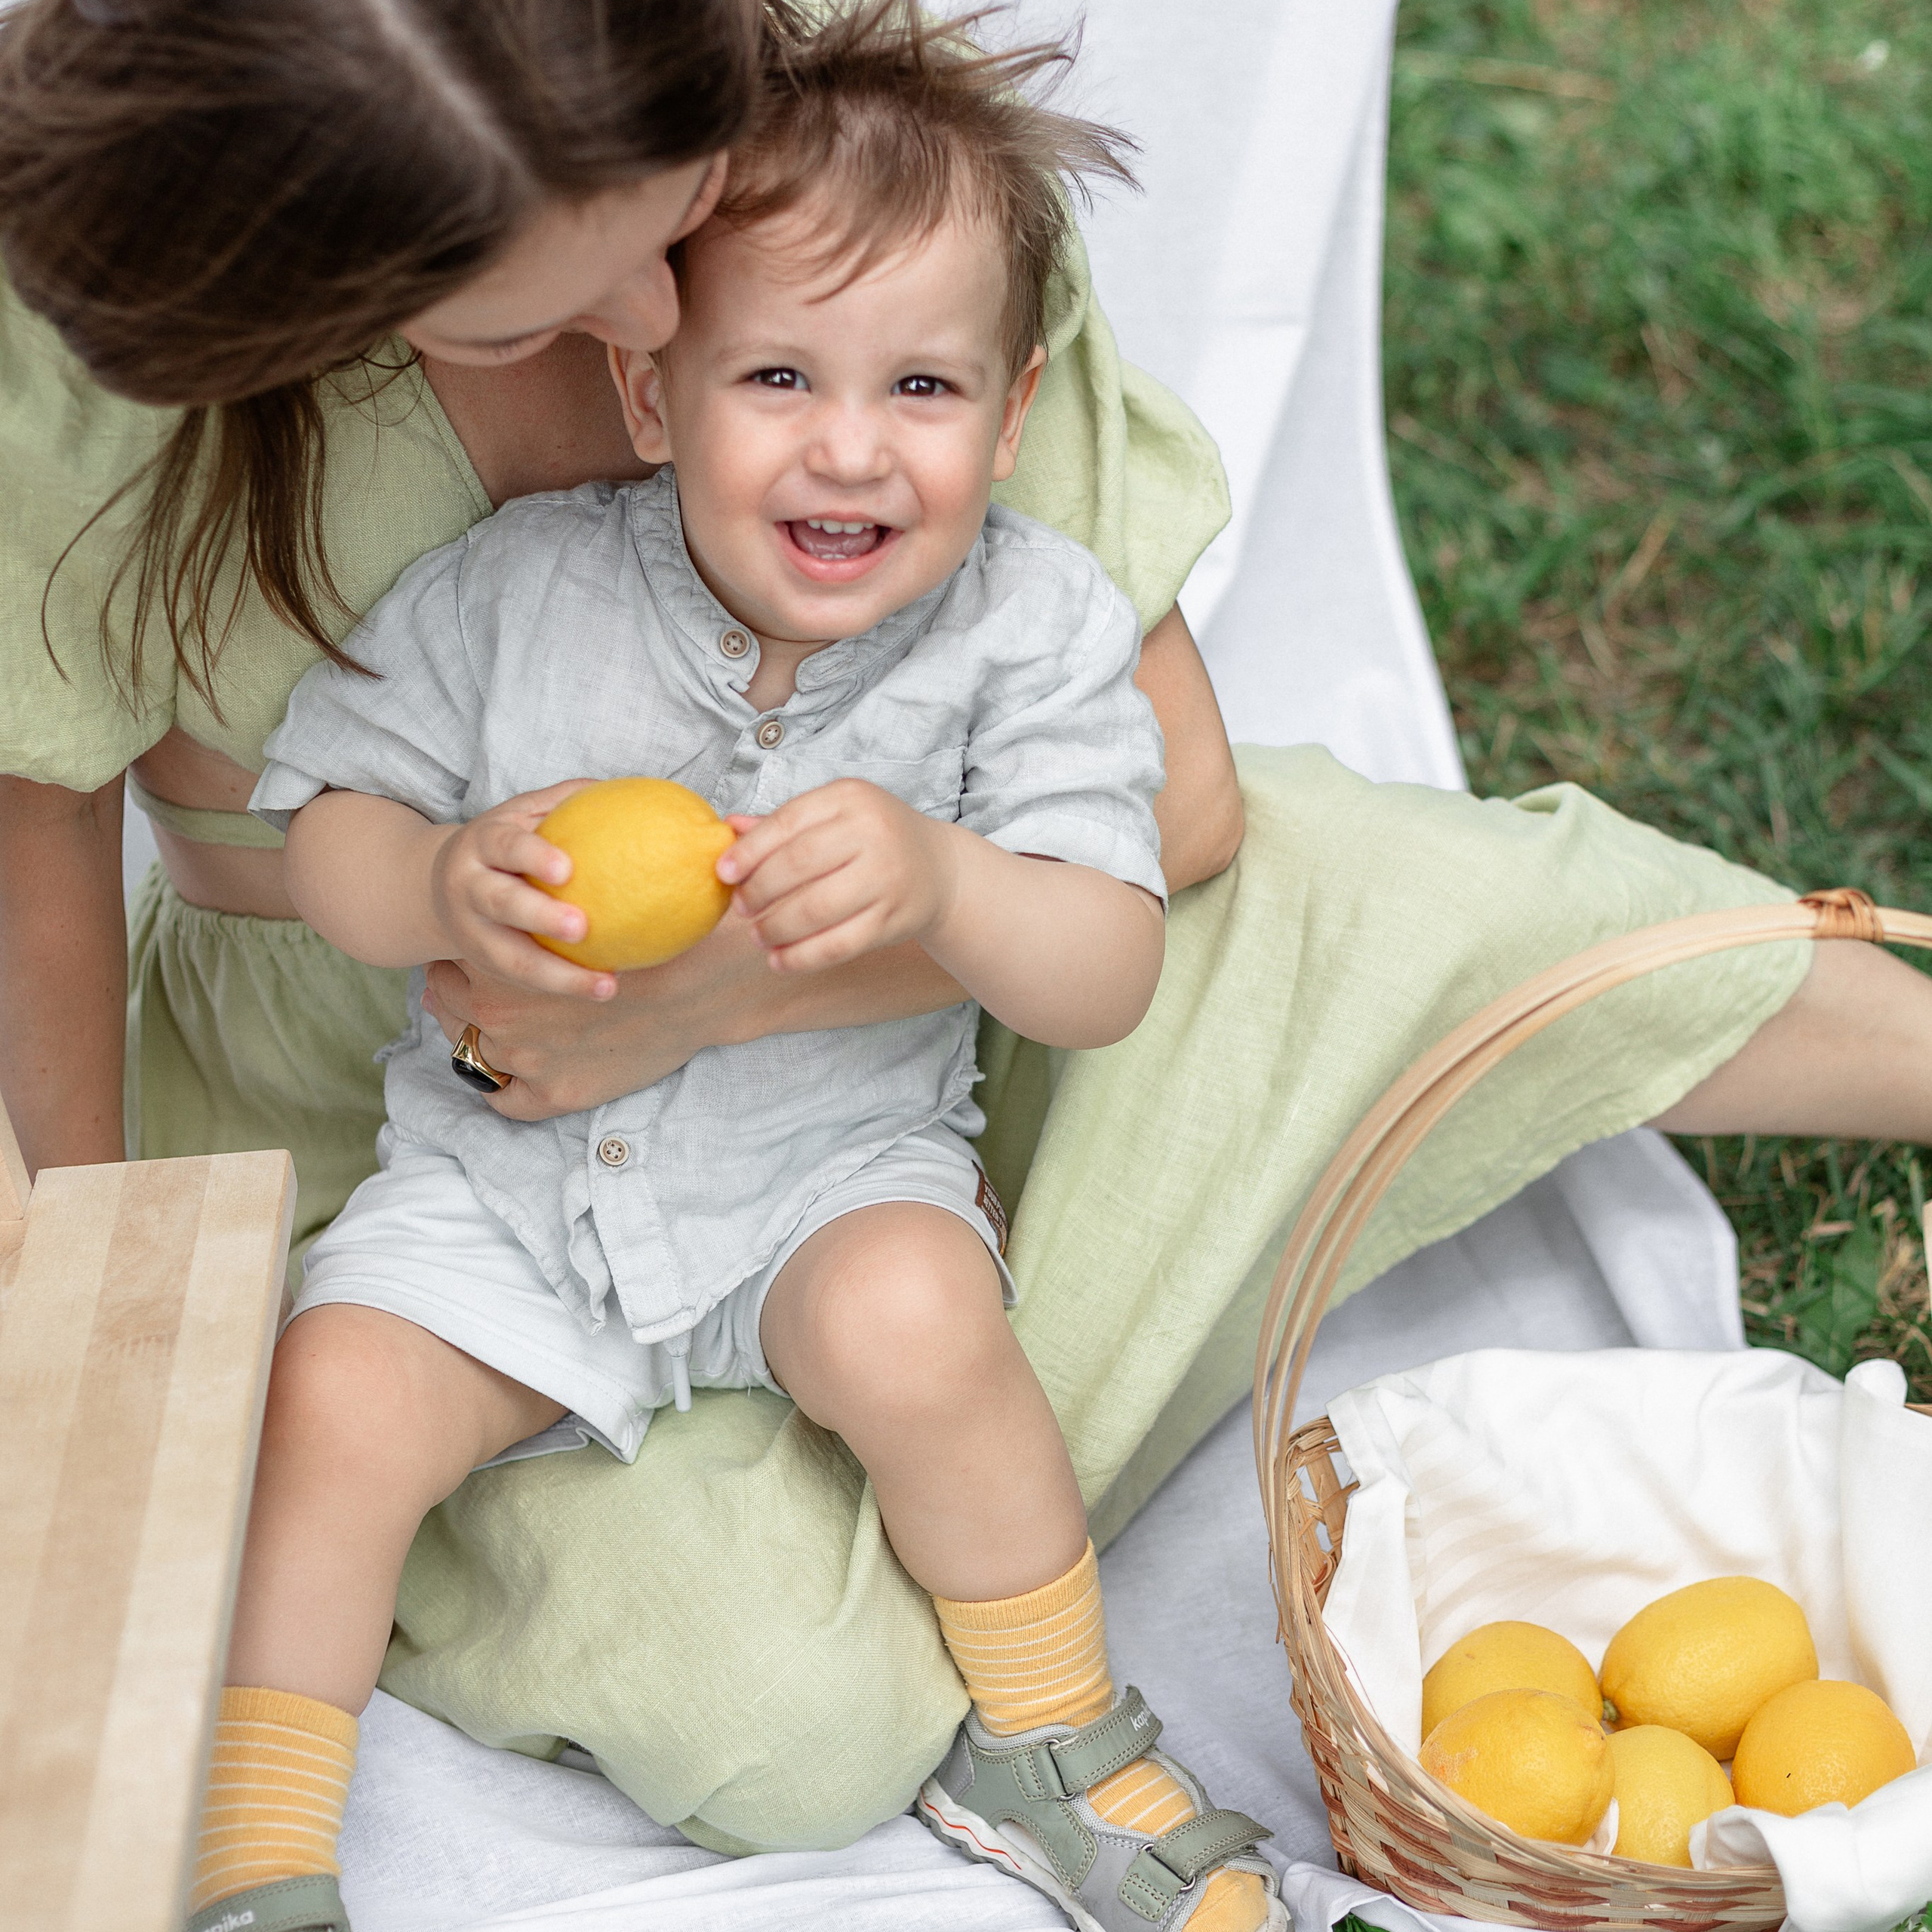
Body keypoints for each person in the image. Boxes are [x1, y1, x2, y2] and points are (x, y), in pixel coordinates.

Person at [1, 0, 1929, 1908]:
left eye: (672, 227)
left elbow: (1159, 821)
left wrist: (753, 977)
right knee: (773, 1708)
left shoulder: (865, 177)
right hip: (419, 1094)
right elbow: (138, 827)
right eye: (529, 316)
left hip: (878, 1041)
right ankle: (278, 1818)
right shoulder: (301, 469)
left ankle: (1038, 1643)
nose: (649, 321)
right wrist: (114, 1270)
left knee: (1353, 906)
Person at [200, 17, 1280, 1928]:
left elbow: (1103, 961)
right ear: (650, 391)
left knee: (915, 1322)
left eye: (921, 384)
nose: (849, 444)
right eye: (776, 374)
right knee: (337, 1391)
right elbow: (323, 833)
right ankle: (258, 1831)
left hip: (824, 1171)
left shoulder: (1026, 628)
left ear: (1010, 414)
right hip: (505, 1183)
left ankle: (1050, 1737)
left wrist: (947, 877)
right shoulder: (516, 586)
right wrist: (442, 878)